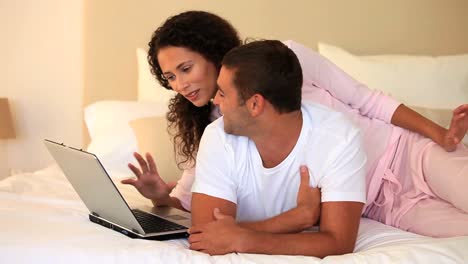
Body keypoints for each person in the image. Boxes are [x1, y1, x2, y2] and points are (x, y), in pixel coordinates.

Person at [121, 10, 468, 238]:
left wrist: (443, 136)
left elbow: (367, 99)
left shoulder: (286, 58)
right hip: (381, 206)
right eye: (169, 77)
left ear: (212, 53)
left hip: (408, 154)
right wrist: (160, 195)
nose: (180, 85)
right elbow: (198, 201)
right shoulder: (221, 129)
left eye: (185, 69)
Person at [189, 40, 366, 257]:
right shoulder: (218, 136)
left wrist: (244, 238)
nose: (215, 100)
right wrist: (298, 217)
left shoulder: (339, 138)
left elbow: (339, 243)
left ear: (255, 104)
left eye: (223, 93)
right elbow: (206, 235)